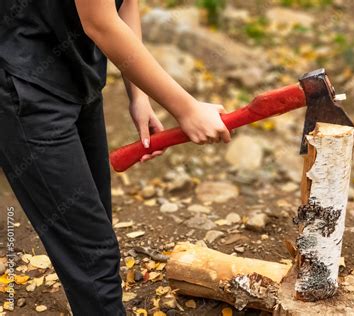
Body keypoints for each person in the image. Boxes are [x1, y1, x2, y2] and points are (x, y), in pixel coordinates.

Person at [0, 0, 231, 314]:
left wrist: (139, 95)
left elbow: (125, 5)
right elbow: (100, 23)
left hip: (76, 77)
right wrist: (186, 108)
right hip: (23, 85)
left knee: (93, 234)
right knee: (91, 254)